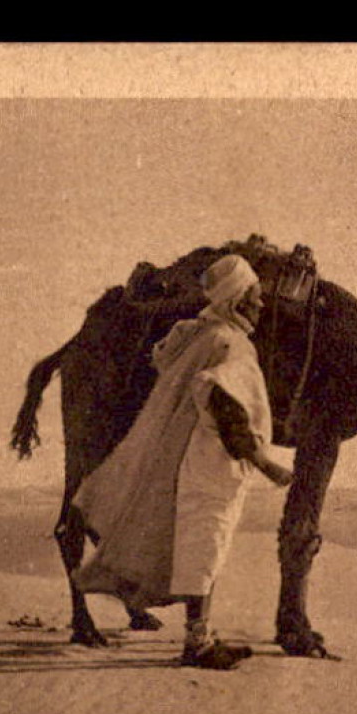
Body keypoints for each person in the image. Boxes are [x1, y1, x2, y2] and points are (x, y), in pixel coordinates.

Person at [71, 254, 292, 670]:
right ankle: (198, 644)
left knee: (201, 548)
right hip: (209, 459)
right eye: (255, 298)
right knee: (206, 548)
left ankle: (200, 636)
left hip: (189, 455)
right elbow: (227, 407)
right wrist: (266, 463)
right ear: (238, 300)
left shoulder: (197, 334)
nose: (262, 306)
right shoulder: (229, 343)